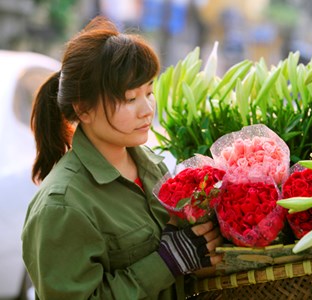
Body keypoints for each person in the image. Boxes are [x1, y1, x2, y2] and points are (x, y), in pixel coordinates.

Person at [22, 15, 222, 300]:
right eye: (130, 99)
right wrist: (166, 262)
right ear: (83, 110)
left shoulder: (152, 165)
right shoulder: (63, 206)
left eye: (149, 92)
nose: (146, 109)